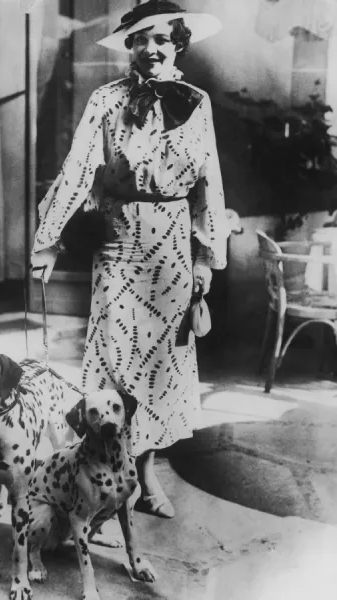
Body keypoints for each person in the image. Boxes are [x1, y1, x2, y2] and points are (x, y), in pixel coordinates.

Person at [31, 0, 227, 519]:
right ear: (130, 48)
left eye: (161, 39)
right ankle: (100, 481)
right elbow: (77, 172)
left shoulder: (197, 102)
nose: (151, 48)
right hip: (118, 242)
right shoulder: (106, 99)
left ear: (178, 43)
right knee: (117, 361)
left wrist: (205, 255)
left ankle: (144, 477)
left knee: (163, 364)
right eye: (140, 39)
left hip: (173, 245)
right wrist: (48, 241)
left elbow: (209, 181)